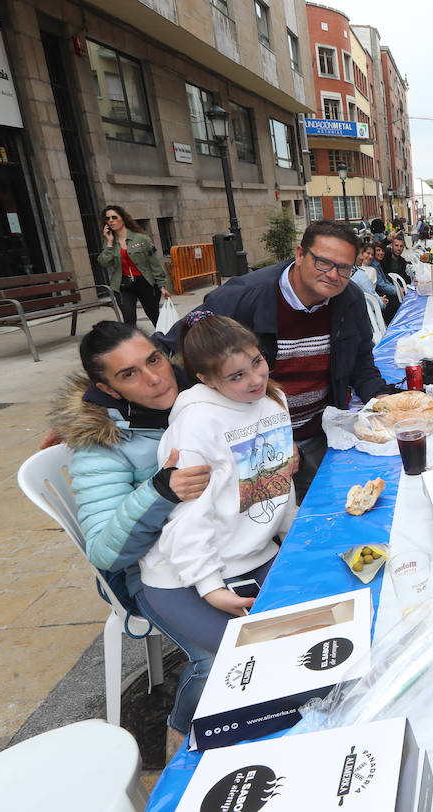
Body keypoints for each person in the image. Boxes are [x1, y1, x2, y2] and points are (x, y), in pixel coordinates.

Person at [49, 321, 213, 751]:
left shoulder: (203, 401)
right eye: (129, 374)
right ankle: (181, 741)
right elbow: (106, 553)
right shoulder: (101, 444)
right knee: (225, 657)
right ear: (110, 390)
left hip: (217, 548)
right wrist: (160, 490)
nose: (155, 378)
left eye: (154, 360)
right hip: (148, 573)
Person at [136, 313, 298, 740]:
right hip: (181, 574)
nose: (255, 380)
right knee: (238, 658)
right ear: (207, 380)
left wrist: (293, 535)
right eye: (236, 376)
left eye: (257, 363)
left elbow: (274, 485)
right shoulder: (197, 424)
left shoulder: (270, 404)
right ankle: (187, 730)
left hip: (249, 554)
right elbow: (185, 519)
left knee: (297, 639)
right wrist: (210, 586)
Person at [161, 220, 392, 496]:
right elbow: (172, 348)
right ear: (299, 255)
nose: (333, 275)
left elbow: (361, 364)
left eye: (344, 268)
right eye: (322, 262)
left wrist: (383, 401)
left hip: (321, 434)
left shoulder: (349, 298)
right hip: (255, 445)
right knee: (266, 520)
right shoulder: (242, 297)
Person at [97, 205, 172, 326]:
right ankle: (134, 344)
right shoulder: (108, 241)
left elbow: (154, 262)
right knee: (129, 319)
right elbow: (104, 262)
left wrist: (162, 285)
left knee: (154, 315)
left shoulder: (141, 239)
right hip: (122, 285)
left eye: (114, 217)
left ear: (123, 218)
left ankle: (163, 342)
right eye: (107, 219)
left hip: (145, 282)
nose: (110, 220)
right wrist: (110, 243)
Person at [351, 244, 398, 323]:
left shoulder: (371, 267)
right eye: (366, 253)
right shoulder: (361, 273)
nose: (370, 256)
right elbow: (373, 293)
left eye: (372, 254)